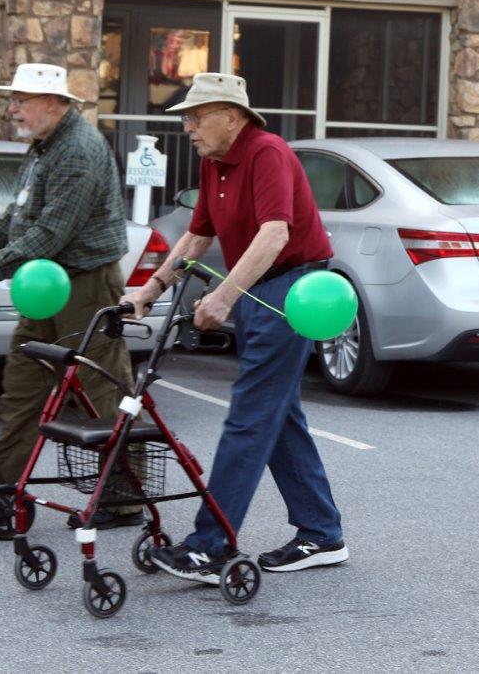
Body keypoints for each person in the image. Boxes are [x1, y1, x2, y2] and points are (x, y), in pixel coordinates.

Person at [121, 72, 348, 582]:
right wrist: (149, 291)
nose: (188, 128)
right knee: (278, 415)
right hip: (258, 290)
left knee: (250, 415)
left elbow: (275, 234)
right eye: (186, 118)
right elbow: (197, 236)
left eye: (196, 117)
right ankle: (321, 532)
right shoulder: (214, 163)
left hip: (292, 289)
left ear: (231, 116)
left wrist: (223, 296)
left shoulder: (267, 153)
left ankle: (211, 546)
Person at [0, 63, 142, 530]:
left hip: (85, 282)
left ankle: (124, 497)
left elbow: (51, 233)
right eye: (13, 100)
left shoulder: (79, 151)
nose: (12, 109)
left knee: (100, 387)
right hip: (45, 283)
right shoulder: (45, 146)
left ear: (53, 103)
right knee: (24, 382)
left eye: (20, 100)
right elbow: (16, 219)